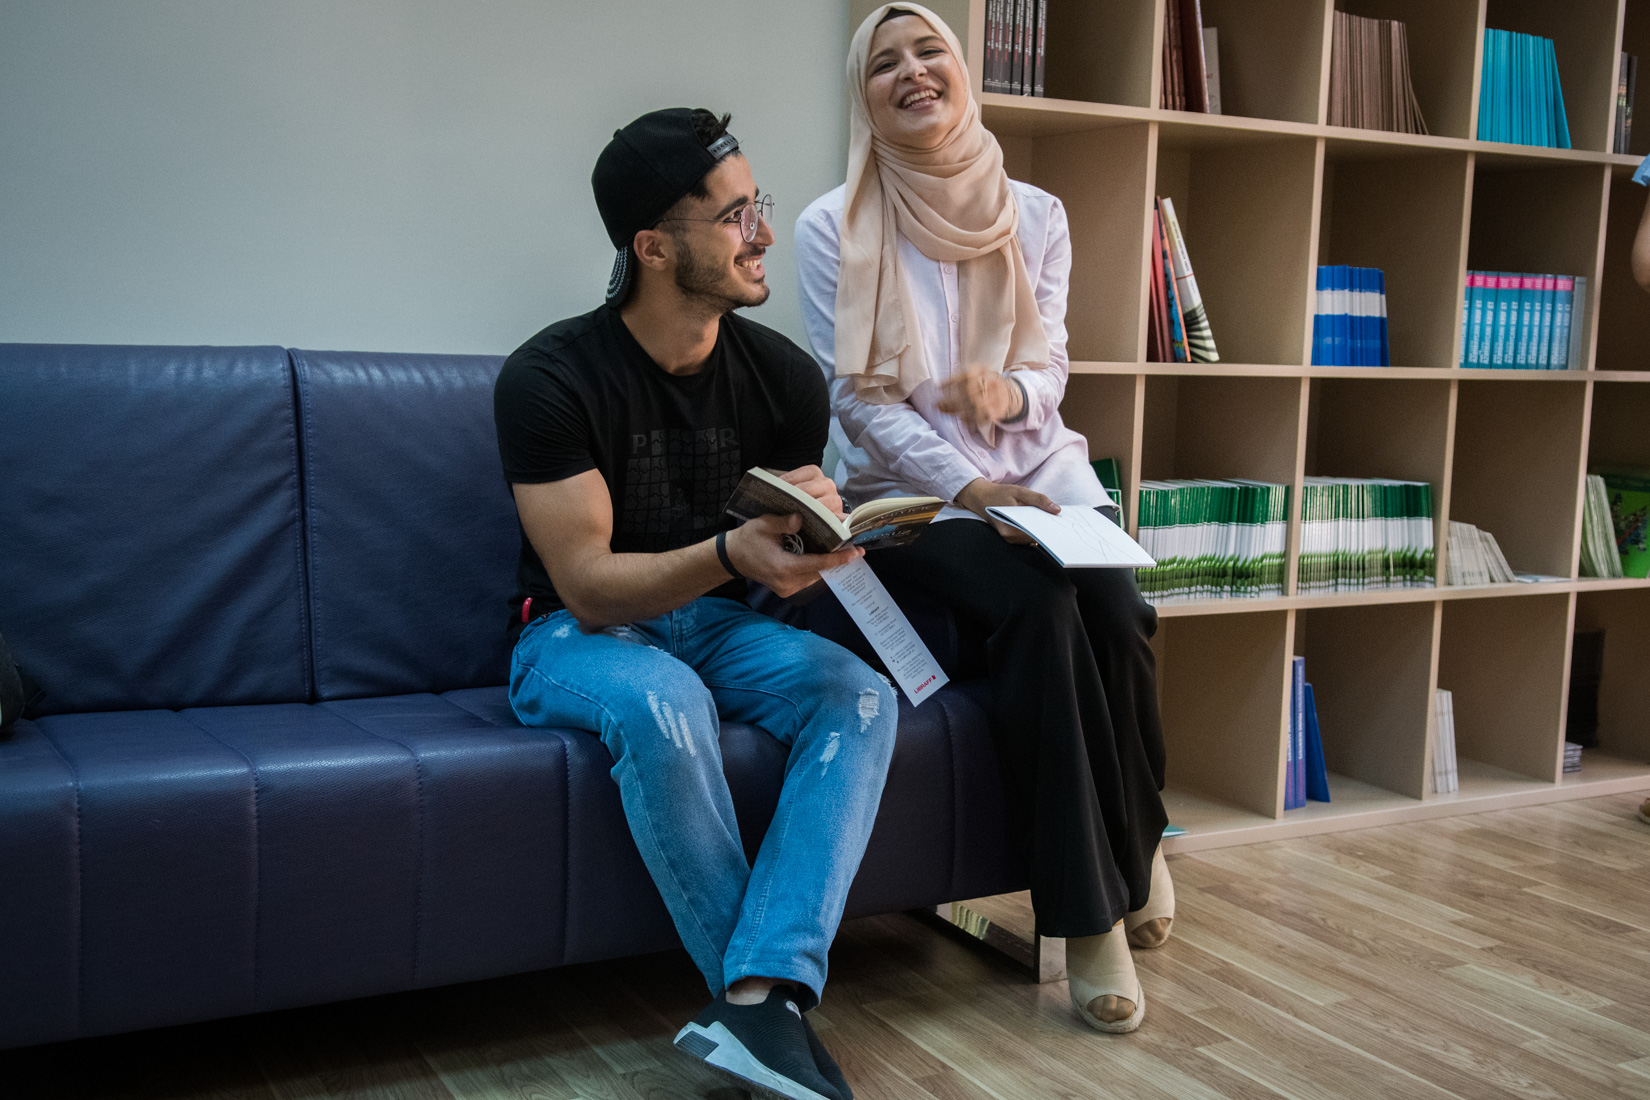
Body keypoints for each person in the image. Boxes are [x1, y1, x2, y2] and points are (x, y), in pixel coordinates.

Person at [495, 107, 897, 1100]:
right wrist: (729, 550)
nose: (761, 231)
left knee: (859, 695)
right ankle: (763, 1017)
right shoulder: (550, 377)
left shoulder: (783, 377)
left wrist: (811, 541)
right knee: (661, 695)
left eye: (756, 205)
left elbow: (776, 550)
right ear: (653, 246)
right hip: (569, 635)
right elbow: (585, 583)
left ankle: (762, 999)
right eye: (733, 215)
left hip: (717, 624)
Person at [795, 5, 1173, 1034]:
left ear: (963, 74)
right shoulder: (832, 226)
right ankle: (1090, 913)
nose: (912, 73)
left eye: (931, 53)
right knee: (1036, 608)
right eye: (884, 64)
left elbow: (1047, 364)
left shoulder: (1038, 213)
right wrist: (969, 486)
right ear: (863, 95)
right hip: (910, 495)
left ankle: (1140, 844)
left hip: (1039, 471)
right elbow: (861, 403)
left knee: (1123, 608)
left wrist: (1007, 398)